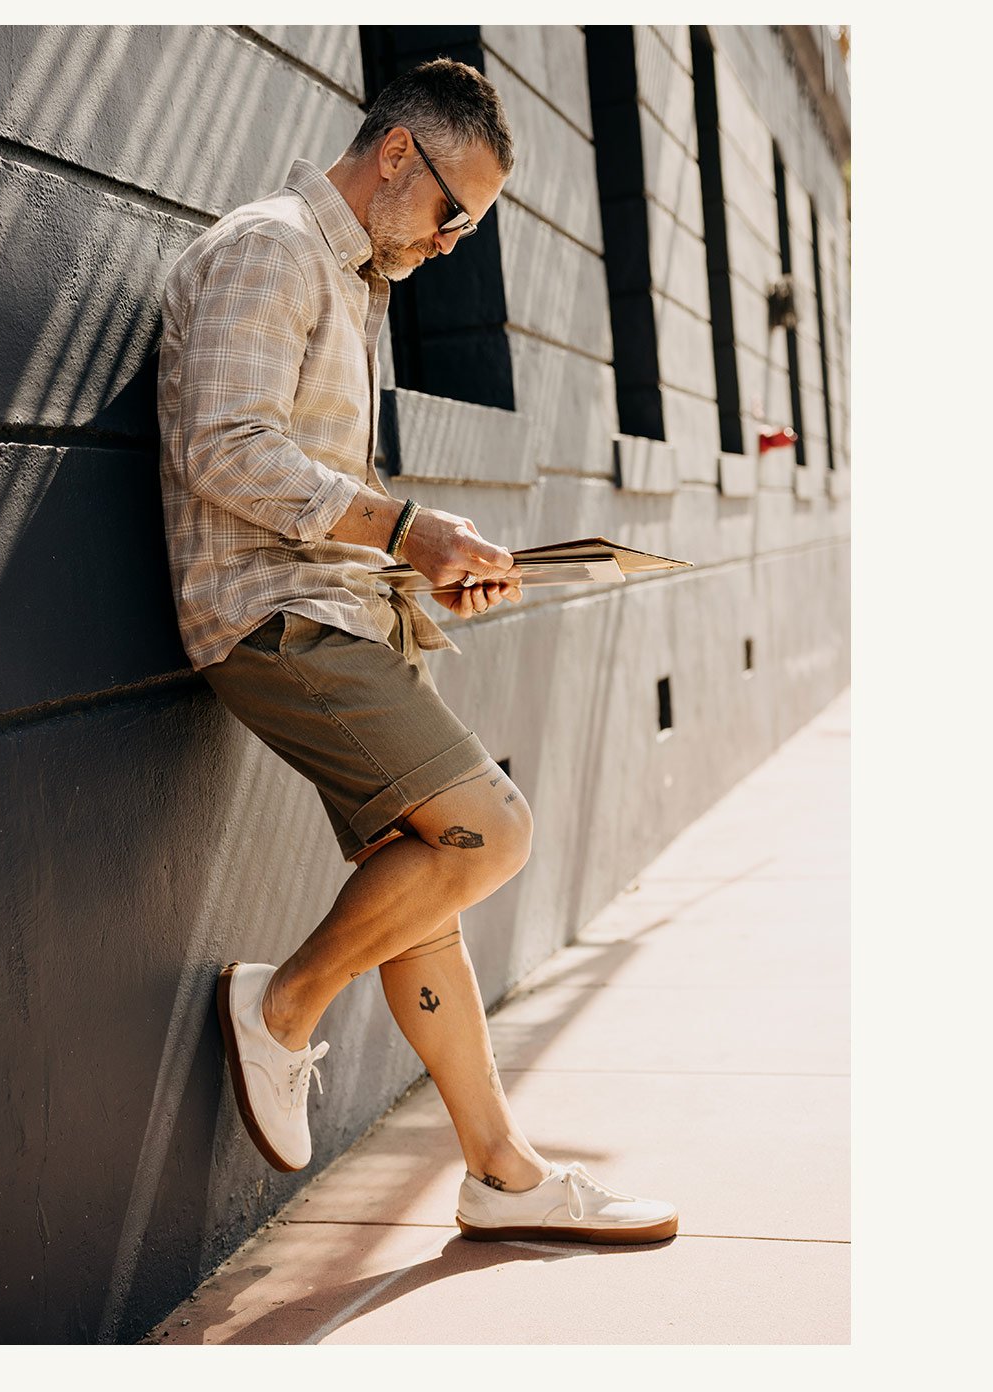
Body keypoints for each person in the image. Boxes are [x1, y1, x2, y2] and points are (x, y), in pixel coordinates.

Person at [157, 58, 676, 1245]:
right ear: (397, 153)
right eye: (455, 211)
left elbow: (317, 480)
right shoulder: (272, 248)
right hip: (274, 618)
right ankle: (281, 1005)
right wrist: (408, 528)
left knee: (424, 881)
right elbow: (226, 451)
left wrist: (432, 556)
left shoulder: (351, 280)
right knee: (491, 829)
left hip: (338, 608)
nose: (452, 241)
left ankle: (500, 1172)